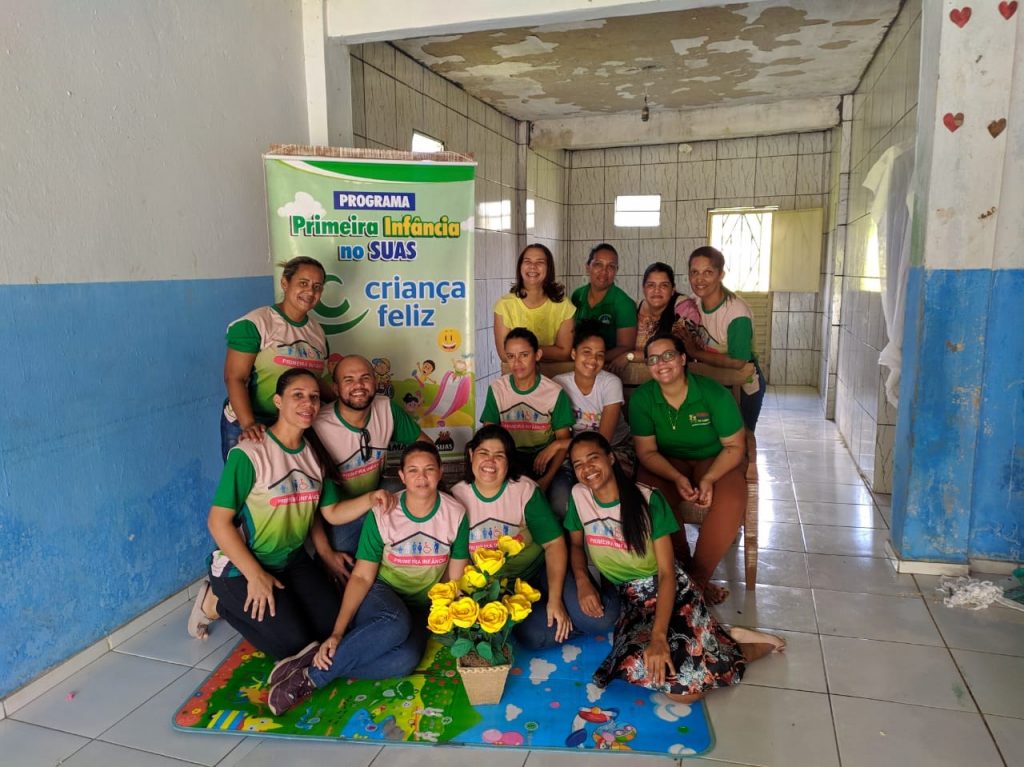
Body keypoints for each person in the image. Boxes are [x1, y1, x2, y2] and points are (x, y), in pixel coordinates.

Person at [565, 432, 783, 702]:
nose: (587, 469)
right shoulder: (579, 497)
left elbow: (668, 573)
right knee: (639, 663)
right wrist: (583, 580)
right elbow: (575, 546)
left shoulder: (648, 500)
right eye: (577, 464)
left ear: (611, 458)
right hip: (631, 601)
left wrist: (658, 637)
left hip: (672, 593)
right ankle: (719, 639)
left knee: (686, 693)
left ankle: (740, 648)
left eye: (593, 459)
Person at [200, 368, 393, 659]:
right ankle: (217, 602)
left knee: (332, 629)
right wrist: (254, 575)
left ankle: (280, 600)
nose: (309, 404)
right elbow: (218, 522)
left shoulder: (314, 453)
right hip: (242, 566)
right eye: (298, 395)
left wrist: (372, 498)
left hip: (291, 561)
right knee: (294, 646)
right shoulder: (251, 452)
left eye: (314, 397)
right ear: (278, 401)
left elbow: (329, 511)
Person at [266, 442, 469, 715]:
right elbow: (362, 576)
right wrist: (338, 632)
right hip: (381, 595)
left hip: (422, 605)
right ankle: (311, 679)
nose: (422, 477)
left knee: (404, 661)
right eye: (413, 470)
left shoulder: (455, 514)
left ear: (440, 472)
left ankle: (313, 662)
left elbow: (452, 581)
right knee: (395, 622)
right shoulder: (385, 513)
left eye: (429, 469)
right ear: (402, 476)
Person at [450, 425, 618, 649]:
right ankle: (564, 619)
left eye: (499, 455)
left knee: (600, 620)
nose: (490, 462)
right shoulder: (456, 497)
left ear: (509, 460)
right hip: (498, 590)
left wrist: (556, 599)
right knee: (535, 637)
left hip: (540, 574)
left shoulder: (524, 491)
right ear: (471, 455)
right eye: (483, 453)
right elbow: (457, 556)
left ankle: (595, 594)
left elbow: (554, 543)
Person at [629, 334, 747, 605]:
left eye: (668, 355)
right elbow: (646, 452)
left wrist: (709, 478)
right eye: (654, 359)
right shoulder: (643, 399)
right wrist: (677, 476)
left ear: (683, 359)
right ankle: (682, 572)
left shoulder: (713, 393)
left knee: (732, 496)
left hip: (714, 459)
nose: (662, 364)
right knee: (649, 493)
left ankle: (697, 578)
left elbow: (734, 447)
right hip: (666, 462)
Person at [310, 354, 431, 584]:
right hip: (339, 513)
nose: (358, 385)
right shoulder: (319, 428)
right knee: (346, 563)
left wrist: (415, 477)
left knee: (408, 492)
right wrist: (326, 552)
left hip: (375, 495)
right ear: (335, 388)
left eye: (365, 378)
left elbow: (425, 448)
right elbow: (317, 508)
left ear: (376, 383)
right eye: (349, 380)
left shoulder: (385, 408)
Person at [220, 257, 331, 462]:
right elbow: (234, 377)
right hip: (250, 423)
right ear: (285, 283)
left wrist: (344, 399)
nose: (310, 292)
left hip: (293, 426)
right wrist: (249, 424)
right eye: (303, 283)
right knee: (250, 489)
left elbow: (314, 380)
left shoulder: (317, 333)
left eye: (317, 287)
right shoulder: (257, 323)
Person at [548, 321, 635, 517]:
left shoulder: (610, 383)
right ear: (573, 354)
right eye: (586, 352)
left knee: (606, 497)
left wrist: (559, 445)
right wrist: (561, 447)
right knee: (560, 502)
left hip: (613, 449)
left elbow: (601, 441)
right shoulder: (559, 384)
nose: (593, 360)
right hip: (572, 453)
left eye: (600, 355)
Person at [480, 327, 575, 496]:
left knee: (560, 503)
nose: (517, 363)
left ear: (537, 355)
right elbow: (490, 436)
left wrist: (547, 479)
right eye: (511, 356)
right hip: (510, 459)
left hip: (547, 461)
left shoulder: (554, 392)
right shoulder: (497, 389)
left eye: (524, 355)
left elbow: (563, 443)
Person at [682, 246, 766, 431]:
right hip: (712, 376)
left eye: (708, 273)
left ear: (721, 275)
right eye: (694, 272)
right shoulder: (693, 302)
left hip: (745, 381)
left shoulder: (736, 312)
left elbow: (738, 361)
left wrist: (695, 353)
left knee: (742, 435)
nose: (699, 279)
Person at [493, 243, 575, 362]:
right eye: (527, 261)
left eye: (540, 262)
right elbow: (505, 355)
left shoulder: (564, 306)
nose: (533, 266)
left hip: (555, 377)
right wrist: (543, 351)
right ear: (520, 266)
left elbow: (564, 352)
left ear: (549, 268)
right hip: (517, 378)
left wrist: (523, 351)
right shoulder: (504, 305)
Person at [569, 243, 636, 369]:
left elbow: (626, 346)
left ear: (616, 271)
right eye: (598, 264)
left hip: (604, 367)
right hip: (577, 365)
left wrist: (593, 360)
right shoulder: (578, 295)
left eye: (611, 266)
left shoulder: (624, 304)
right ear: (588, 267)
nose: (604, 271)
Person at [632, 262, 691, 355]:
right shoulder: (633, 308)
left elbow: (675, 352)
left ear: (673, 290)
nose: (657, 290)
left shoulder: (682, 306)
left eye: (664, 285)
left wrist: (631, 356)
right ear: (643, 289)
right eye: (651, 285)